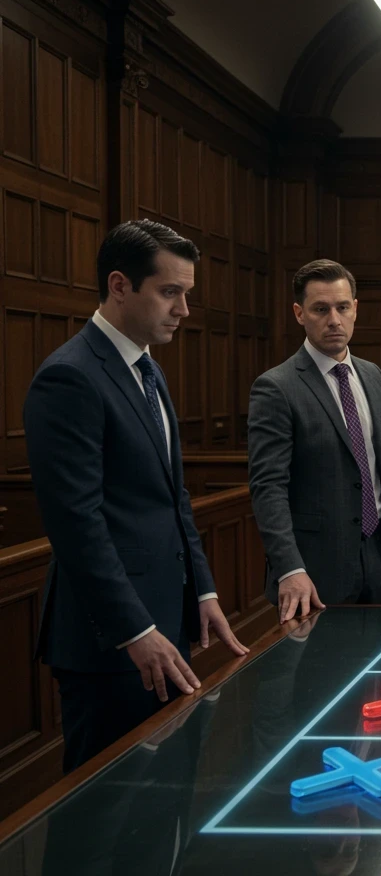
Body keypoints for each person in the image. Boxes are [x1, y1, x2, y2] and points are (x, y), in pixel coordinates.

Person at [23, 219, 247, 773]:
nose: (184, 311)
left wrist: (203, 593)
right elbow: (77, 524)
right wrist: (135, 630)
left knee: (162, 801)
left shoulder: (148, 368)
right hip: (113, 641)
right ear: (120, 286)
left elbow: (174, 499)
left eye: (186, 294)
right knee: (103, 822)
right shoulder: (70, 376)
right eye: (170, 293)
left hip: (167, 622)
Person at [247, 259, 381, 621]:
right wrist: (289, 568)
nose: (334, 320)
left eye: (342, 307)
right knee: (321, 674)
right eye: (320, 309)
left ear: (355, 309)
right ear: (299, 313)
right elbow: (269, 487)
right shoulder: (276, 387)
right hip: (317, 567)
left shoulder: (373, 376)